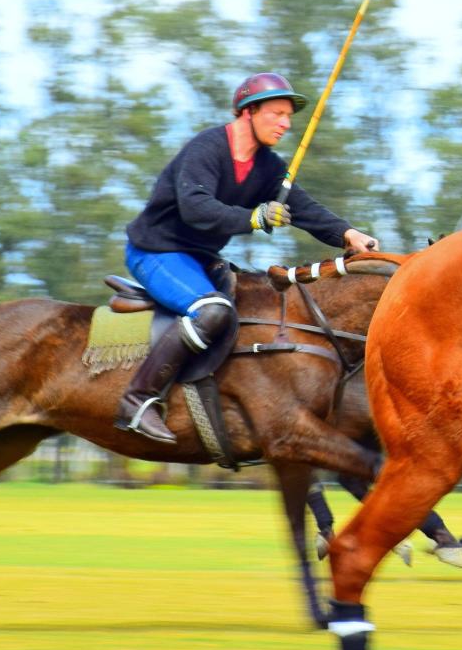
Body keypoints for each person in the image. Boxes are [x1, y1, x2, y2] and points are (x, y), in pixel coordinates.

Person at [115, 72, 379, 443]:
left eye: (289, 116)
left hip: (201, 257)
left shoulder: (268, 165)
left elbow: (302, 207)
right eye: (277, 113)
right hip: (155, 251)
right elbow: (195, 207)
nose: (286, 124)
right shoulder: (206, 148)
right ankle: (137, 399)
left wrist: (348, 234)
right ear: (248, 112)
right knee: (212, 311)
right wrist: (251, 218)